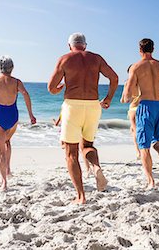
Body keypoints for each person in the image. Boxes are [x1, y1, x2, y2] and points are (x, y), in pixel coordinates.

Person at [48, 32, 119, 204]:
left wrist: (62, 86)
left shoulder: (65, 59)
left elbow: (51, 88)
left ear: (69, 45)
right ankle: (95, 168)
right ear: (85, 45)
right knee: (87, 145)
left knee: (71, 153)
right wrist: (108, 98)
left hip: (72, 107)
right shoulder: (96, 58)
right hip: (93, 106)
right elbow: (114, 78)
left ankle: (81, 196)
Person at [122, 38, 159, 189]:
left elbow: (128, 95)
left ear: (140, 50)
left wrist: (126, 98)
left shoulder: (136, 67)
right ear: (153, 49)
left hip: (146, 105)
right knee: (157, 139)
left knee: (144, 146)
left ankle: (150, 181)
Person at [0, 55, 37, 191]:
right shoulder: (17, 82)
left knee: (0, 149)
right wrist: (31, 114)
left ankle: (4, 183)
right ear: (12, 68)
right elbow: (26, 95)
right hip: (12, 116)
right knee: (7, 142)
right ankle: (8, 170)